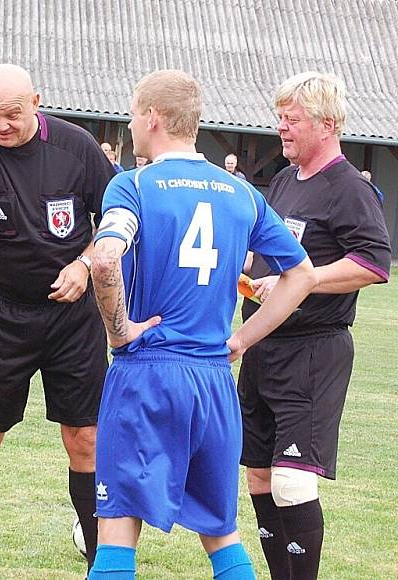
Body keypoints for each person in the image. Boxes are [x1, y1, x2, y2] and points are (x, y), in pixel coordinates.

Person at [86, 69, 316, 580]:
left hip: (148, 374)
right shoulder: (242, 194)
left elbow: (104, 261)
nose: (129, 124)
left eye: (131, 114)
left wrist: (120, 331)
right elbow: (301, 274)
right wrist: (241, 340)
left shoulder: (134, 184)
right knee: (221, 533)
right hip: (213, 381)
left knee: (118, 527)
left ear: (152, 118)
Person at [0, 63, 116, 580]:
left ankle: (98, 562)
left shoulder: (77, 147)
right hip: (1, 310)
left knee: (84, 437)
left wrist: (85, 264)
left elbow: (116, 220)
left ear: (35, 102)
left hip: (72, 316)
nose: (0, 125)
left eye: (11, 114)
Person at [238, 72, 391, 580]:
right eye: (280, 117)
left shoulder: (349, 188)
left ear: (326, 125)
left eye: (292, 120)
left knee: (292, 483)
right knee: (259, 477)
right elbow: (269, 254)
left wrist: (302, 281)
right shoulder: (283, 180)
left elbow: (373, 264)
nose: (281, 128)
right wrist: (249, 274)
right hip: (263, 348)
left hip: (312, 353)